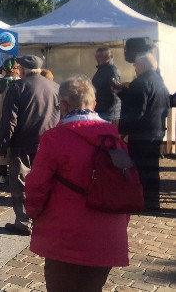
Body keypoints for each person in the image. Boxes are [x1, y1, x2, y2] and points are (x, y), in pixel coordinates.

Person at [26, 75, 129, 290]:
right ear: (94, 104)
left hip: (66, 232)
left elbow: (36, 186)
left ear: (62, 105)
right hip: (108, 232)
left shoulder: (54, 138)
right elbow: (127, 187)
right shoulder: (115, 140)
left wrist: (33, 213)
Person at [0, 55, 60, 236]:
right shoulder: (55, 87)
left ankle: (24, 221)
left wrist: (2, 145)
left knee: (20, 182)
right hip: (49, 143)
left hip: (22, 143)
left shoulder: (18, 87)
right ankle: (45, 219)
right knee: (46, 181)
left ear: (22, 70)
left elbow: (9, 120)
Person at [116, 53, 169, 210]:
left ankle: (141, 202)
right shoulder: (158, 81)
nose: (134, 67)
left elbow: (136, 111)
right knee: (152, 169)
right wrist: (123, 93)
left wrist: (122, 131)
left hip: (142, 134)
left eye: (136, 64)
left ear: (143, 66)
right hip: (156, 131)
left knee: (140, 170)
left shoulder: (140, 82)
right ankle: (153, 202)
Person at [91, 47, 121, 124]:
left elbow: (115, 92)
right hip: (101, 109)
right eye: (96, 57)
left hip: (107, 112)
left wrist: (107, 109)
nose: (97, 59)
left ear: (108, 57)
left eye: (99, 56)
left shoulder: (111, 71)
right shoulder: (102, 70)